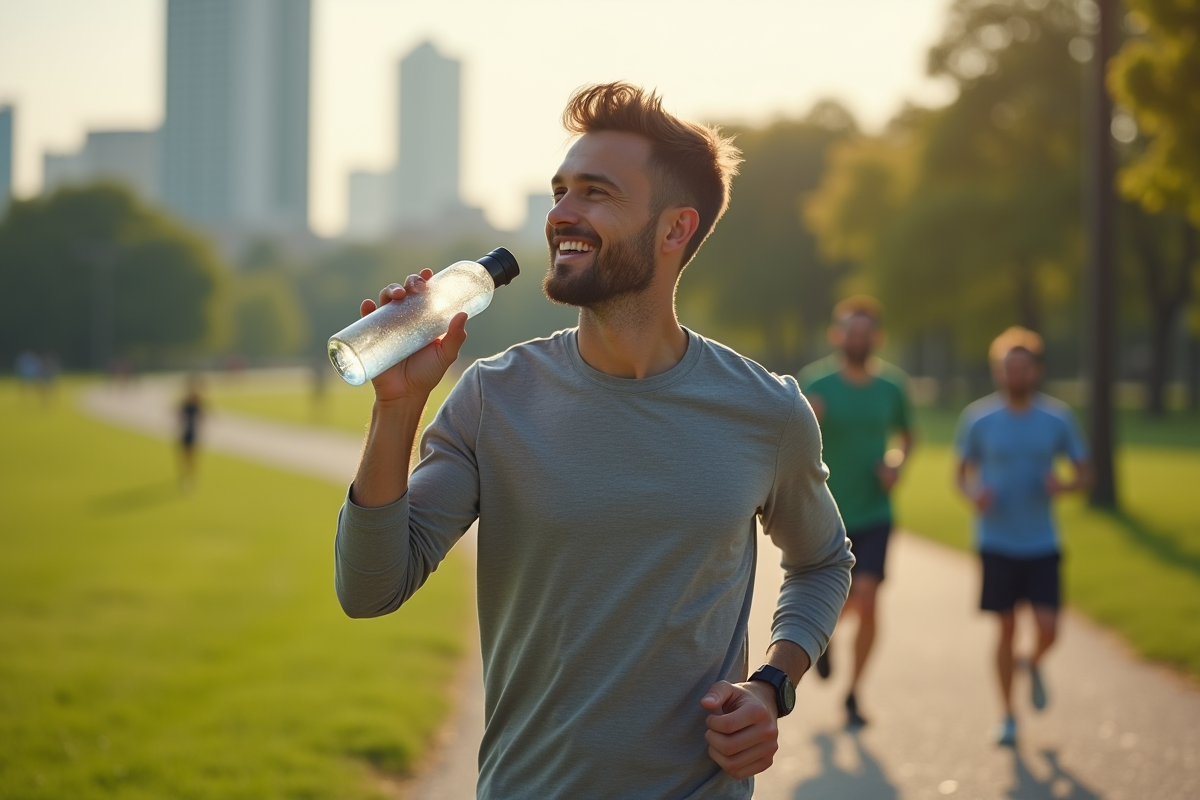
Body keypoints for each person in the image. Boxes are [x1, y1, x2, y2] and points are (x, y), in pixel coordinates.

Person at [334, 83, 853, 799]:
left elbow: (824, 561)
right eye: (560, 191)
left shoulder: (766, 411)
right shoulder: (492, 398)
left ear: (675, 230)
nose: (561, 215)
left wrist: (772, 685)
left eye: (595, 193)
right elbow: (369, 589)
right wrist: (398, 409)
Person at [954, 327, 1090, 747]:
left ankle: (1032, 662)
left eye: (1021, 368)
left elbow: (1085, 473)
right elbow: (961, 475)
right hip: (996, 541)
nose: (1014, 375)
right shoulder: (978, 418)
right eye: (1007, 368)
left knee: (1049, 628)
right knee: (1007, 628)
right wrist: (974, 495)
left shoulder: (1058, 418)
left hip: (1042, 541)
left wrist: (1063, 486)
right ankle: (1008, 715)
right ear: (999, 372)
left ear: (1036, 371)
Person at [799, 297, 913, 728]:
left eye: (866, 333)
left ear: (876, 338)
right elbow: (793, 437)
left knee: (868, 598)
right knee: (843, 597)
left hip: (876, 509)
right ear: (837, 335)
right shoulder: (817, 383)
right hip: (828, 509)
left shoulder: (893, 387)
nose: (858, 339)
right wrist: (809, 418)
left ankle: (853, 693)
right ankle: (826, 636)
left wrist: (897, 463)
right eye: (851, 331)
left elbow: (907, 435)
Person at [178, 374, 204, 488]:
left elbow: (201, 417)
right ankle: (186, 475)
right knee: (185, 455)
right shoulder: (187, 404)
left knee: (192, 456)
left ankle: (191, 476)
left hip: (192, 433)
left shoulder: (196, 404)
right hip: (186, 433)